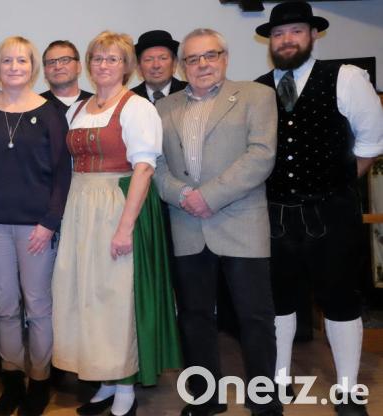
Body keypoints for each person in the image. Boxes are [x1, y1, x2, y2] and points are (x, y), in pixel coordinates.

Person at [254, 2, 383, 415]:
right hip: (273, 215)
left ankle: (347, 391)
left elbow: (371, 143)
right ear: (270, 41)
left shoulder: (345, 77)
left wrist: (335, 184)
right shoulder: (257, 89)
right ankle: (279, 381)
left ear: (313, 35)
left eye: (295, 31)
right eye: (278, 34)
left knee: (340, 300)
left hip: (331, 213)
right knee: (278, 301)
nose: (286, 39)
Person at [152, 28, 283, 416]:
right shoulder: (163, 108)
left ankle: (264, 400)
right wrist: (182, 195)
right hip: (187, 224)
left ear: (225, 58)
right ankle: (204, 398)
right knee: (194, 318)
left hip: (241, 222)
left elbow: (261, 156)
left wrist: (209, 196)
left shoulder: (257, 97)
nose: (202, 64)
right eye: (192, 59)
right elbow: (155, 165)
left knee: (255, 317)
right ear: (182, 66)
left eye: (210, 55)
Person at [52, 31, 182, 416]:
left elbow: (144, 168)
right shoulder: (78, 109)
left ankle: (125, 384)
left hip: (117, 203)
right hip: (81, 204)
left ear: (126, 66)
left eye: (112, 59)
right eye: (97, 58)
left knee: (117, 296)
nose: (103, 65)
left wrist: (125, 227)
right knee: (86, 293)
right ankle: (106, 378)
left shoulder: (137, 107)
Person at [0, 36, 71, 416]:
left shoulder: (51, 112)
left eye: (22, 61)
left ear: (33, 67)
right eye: (8, 61)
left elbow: (63, 172)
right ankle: (12, 381)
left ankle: (39, 382)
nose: (14, 67)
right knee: (4, 307)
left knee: (38, 306)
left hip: (36, 227)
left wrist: (50, 221)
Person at [130, 30, 187, 104]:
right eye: (148, 60)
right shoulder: (130, 99)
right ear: (138, 68)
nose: (156, 65)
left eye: (163, 58)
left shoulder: (189, 93)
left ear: (174, 64)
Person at [39, 40, 92, 113]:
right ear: (44, 71)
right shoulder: (34, 106)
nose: (58, 67)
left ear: (78, 66)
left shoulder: (95, 103)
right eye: (51, 62)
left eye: (65, 60)